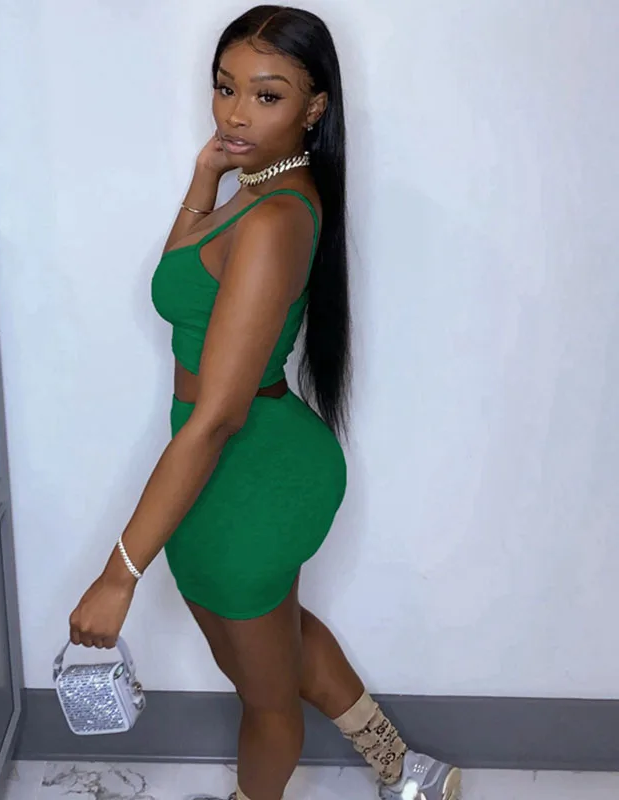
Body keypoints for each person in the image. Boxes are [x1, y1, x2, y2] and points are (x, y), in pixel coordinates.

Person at [68, 5, 462, 800]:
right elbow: (183, 274)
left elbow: (218, 415)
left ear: (314, 109)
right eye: (225, 88)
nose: (236, 113)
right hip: (220, 458)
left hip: (249, 466)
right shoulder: (258, 187)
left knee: (266, 700)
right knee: (273, 641)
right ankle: (408, 771)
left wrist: (118, 575)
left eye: (267, 95)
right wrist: (204, 176)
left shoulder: (278, 216)